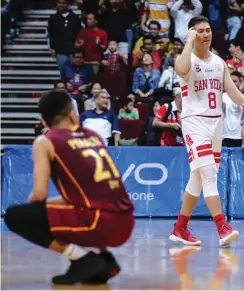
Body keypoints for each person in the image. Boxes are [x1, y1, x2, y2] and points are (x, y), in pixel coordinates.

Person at [4, 90, 134, 284]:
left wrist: (33, 211)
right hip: (126, 222)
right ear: (73, 114)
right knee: (64, 209)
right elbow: (84, 194)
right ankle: (104, 260)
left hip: (99, 223)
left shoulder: (46, 141)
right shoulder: (93, 136)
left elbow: (39, 194)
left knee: (15, 216)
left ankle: (81, 258)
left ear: (45, 123)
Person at [170, 16, 244, 247]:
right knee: (209, 174)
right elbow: (181, 69)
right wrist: (188, 41)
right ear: (192, 33)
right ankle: (222, 227)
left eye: (208, 30)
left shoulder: (220, 63)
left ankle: (180, 228)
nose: (206, 34)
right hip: (194, 123)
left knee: (198, 178)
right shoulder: (186, 59)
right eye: (200, 31)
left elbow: (234, 94)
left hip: (216, 125)